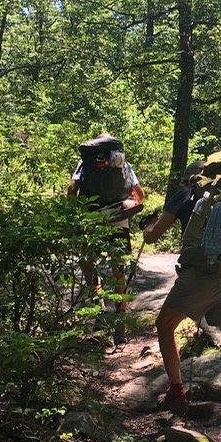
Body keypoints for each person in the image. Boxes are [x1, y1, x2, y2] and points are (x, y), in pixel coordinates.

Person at [140, 159, 221, 442]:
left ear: (190, 179)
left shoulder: (187, 194)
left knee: (164, 326)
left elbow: (152, 236)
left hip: (200, 276)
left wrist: (146, 227)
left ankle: (176, 392)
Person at [67, 134, 146, 342]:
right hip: (119, 220)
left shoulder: (86, 162)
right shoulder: (121, 162)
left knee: (89, 264)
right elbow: (140, 194)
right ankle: (120, 322)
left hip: (91, 220)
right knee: (118, 268)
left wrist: (76, 214)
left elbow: (72, 188)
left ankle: (99, 308)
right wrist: (126, 204)